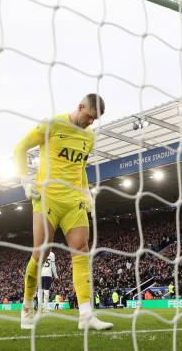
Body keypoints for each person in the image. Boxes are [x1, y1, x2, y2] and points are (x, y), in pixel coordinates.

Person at [15, 93, 113, 331]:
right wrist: (25, 180)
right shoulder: (52, 125)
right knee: (41, 253)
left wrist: (86, 193)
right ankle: (27, 307)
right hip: (47, 198)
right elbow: (20, 148)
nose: (91, 123)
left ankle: (86, 315)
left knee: (81, 250)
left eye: (94, 120)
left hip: (74, 201)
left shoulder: (89, 137)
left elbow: (79, 168)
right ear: (80, 107)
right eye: (89, 117)